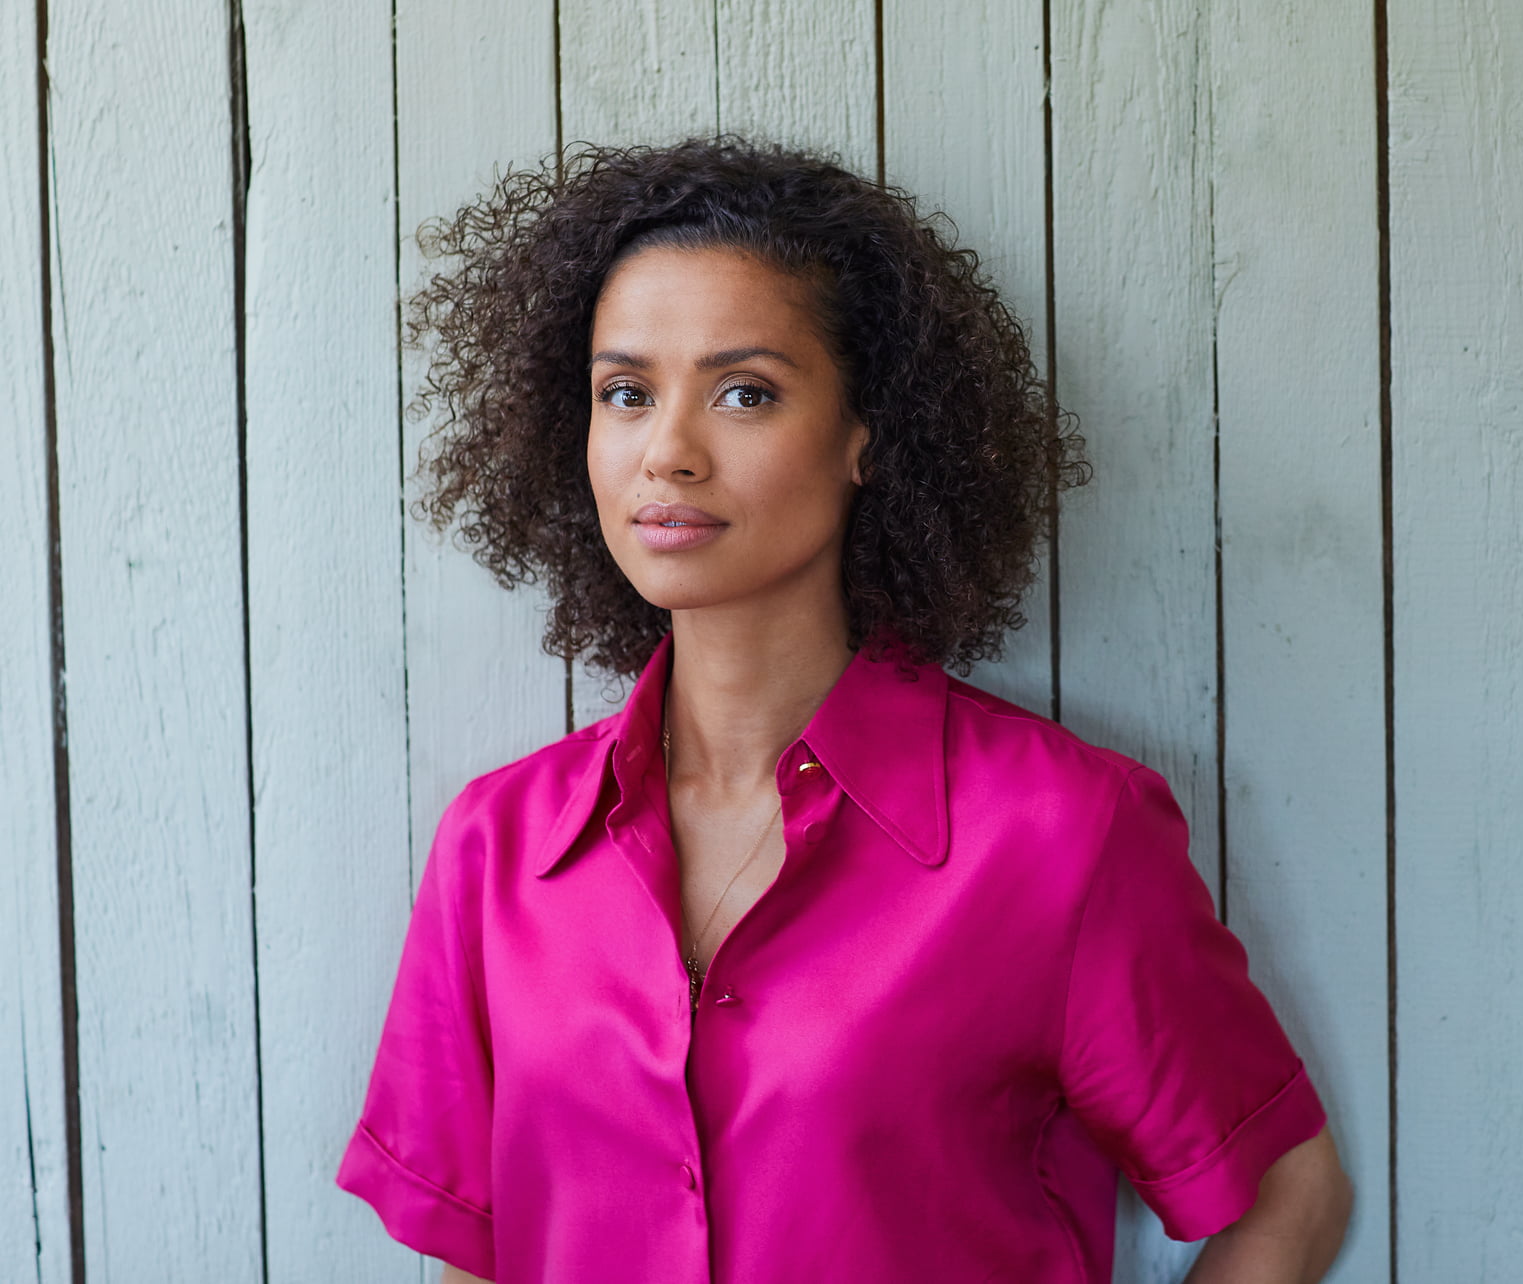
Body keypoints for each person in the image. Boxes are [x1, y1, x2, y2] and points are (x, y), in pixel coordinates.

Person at [335, 134, 1352, 1283]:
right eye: (625, 393)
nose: (666, 452)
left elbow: (1287, 1198)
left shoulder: (1059, 834)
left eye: (744, 392)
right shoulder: (496, 848)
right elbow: (474, 1250)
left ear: (865, 437)